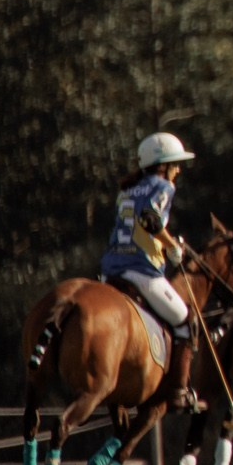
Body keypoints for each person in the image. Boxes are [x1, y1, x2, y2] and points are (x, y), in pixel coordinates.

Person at [94, 131, 199, 403]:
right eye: (175, 164)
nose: (178, 170)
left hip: (110, 271)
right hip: (141, 271)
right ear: (162, 165)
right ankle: (179, 391)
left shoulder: (127, 189)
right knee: (185, 320)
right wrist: (172, 245)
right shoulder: (163, 187)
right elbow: (149, 219)